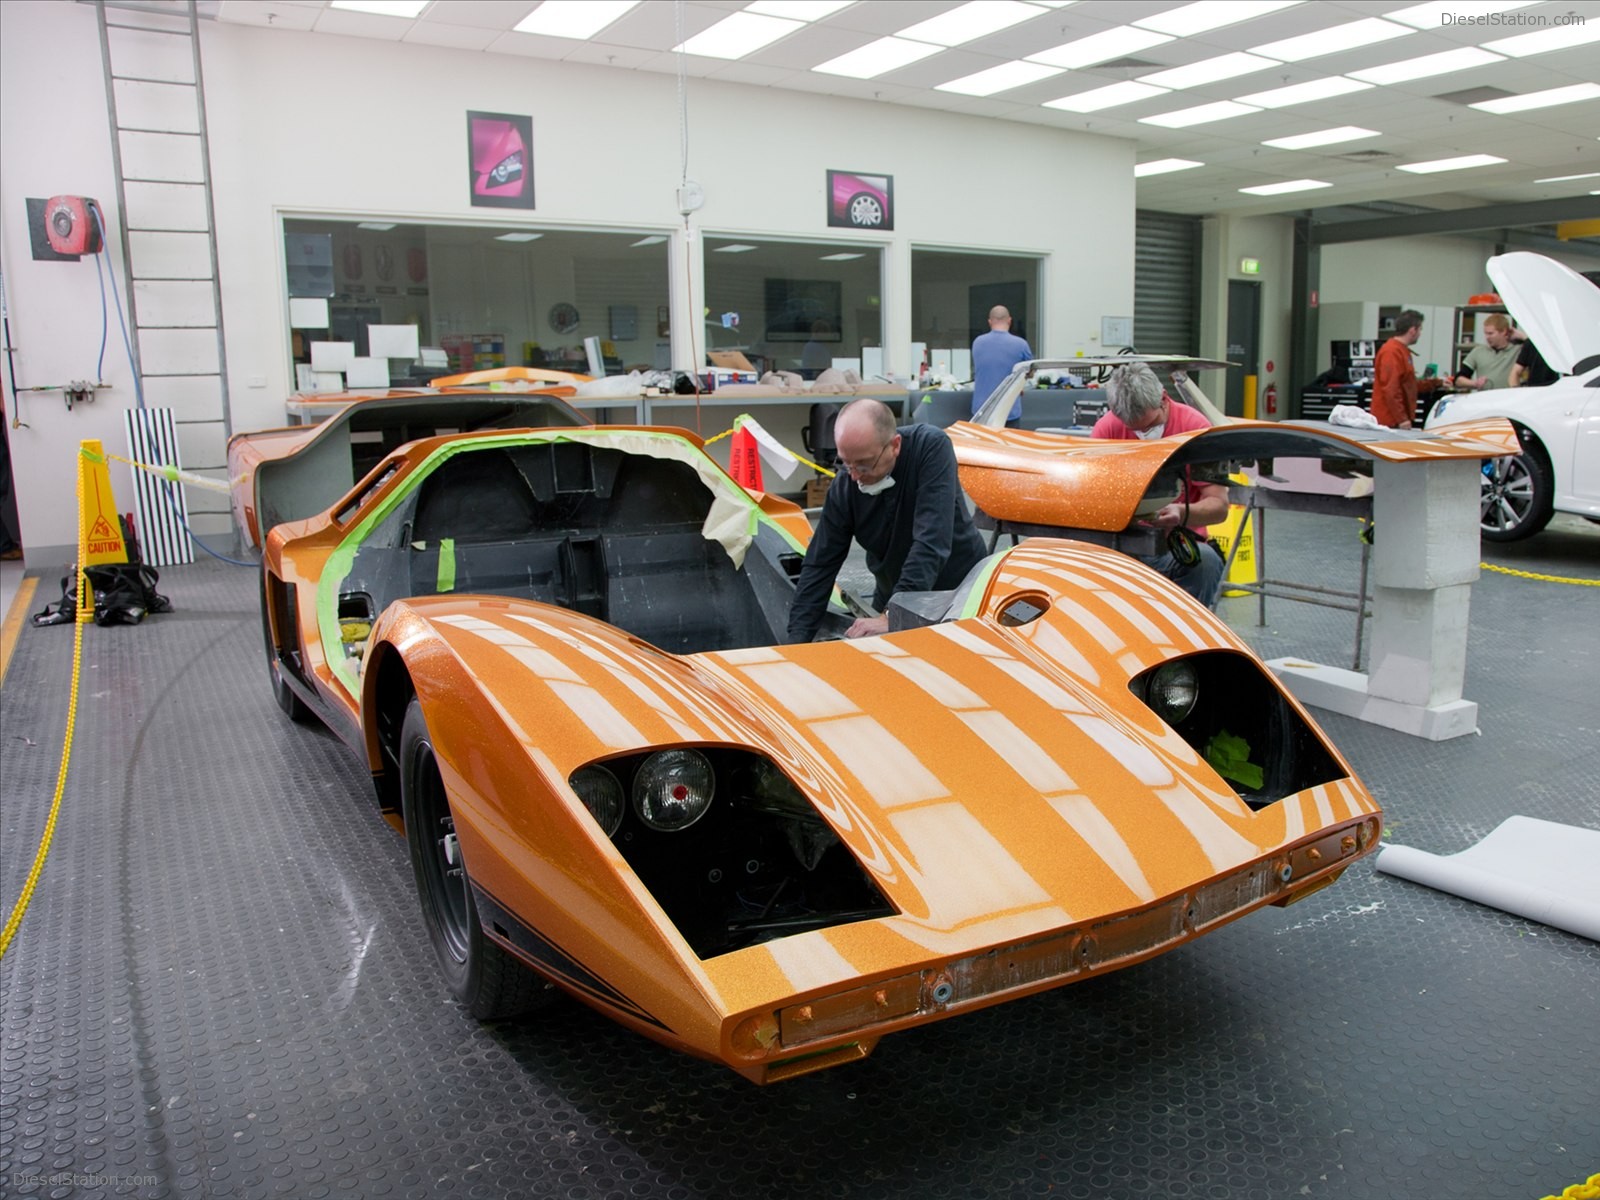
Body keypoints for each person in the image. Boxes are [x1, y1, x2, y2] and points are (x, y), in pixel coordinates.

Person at [787, 398, 987, 642]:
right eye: (845, 462)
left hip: (957, 594)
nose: (854, 476)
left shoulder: (930, 448)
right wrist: (796, 642)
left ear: (895, 446)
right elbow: (820, 565)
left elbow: (931, 542)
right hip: (892, 596)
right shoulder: (845, 486)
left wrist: (893, 616)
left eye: (863, 465)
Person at [1092, 363, 1228, 610]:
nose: (1143, 434)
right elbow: (1090, 494)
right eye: (1134, 430)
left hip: (1175, 545)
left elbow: (1219, 506)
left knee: (1205, 562)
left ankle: (1187, 638)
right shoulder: (1108, 428)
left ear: (1164, 399)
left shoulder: (1196, 430)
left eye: (1149, 425)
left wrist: (1182, 513)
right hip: (1121, 544)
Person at [971, 306, 1032, 424]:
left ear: (990, 322)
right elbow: (1030, 372)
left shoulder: (978, 342)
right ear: (1009, 321)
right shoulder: (1021, 344)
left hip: (981, 410)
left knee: (983, 443)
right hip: (1009, 410)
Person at [1371, 309, 1423, 429]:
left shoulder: (1402, 350)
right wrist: (1402, 419)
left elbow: (1408, 384)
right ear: (1412, 330)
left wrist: (1436, 383)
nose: (1420, 333)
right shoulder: (1392, 352)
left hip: (1395, 420)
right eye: (1420, 329)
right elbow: (1391, 388)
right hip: (1390, 422)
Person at [1455, 314, 1519, 391]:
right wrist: (1474, 383)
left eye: (1490, 333)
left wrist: (1521, 336)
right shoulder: (1478, 351)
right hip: (1485, 399)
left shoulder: (1517, 350)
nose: (1487, 337)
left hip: (1509, 399)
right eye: (1485, 333)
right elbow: (1458, 379)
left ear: (1503, 332)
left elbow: (1535, 346)